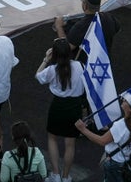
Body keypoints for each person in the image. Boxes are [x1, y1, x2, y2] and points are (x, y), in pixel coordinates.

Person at [34, 39, 84, 182]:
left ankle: (55, 174)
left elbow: (38, 76)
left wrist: (45, 59)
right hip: (75, 106)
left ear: (54, 54)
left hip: (58, 106)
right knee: (70, 143)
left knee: (52, 138)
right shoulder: (79, 66)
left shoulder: (52, 69)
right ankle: (66, 176)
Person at [73, 99, 131, 182]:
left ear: (130, 109)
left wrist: (83, 130)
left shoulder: (120, 125)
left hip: (114, 163)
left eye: (126, 101)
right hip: (126, 160)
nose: (123, 99)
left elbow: (102, 141)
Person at [53, 0, 119, 57]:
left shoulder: (81, 26)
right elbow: (117, 29)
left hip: (85, 64)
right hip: (103, 59)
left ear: (85, 6)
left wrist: (59, 27)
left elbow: (68, 47)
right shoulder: (109, 17)